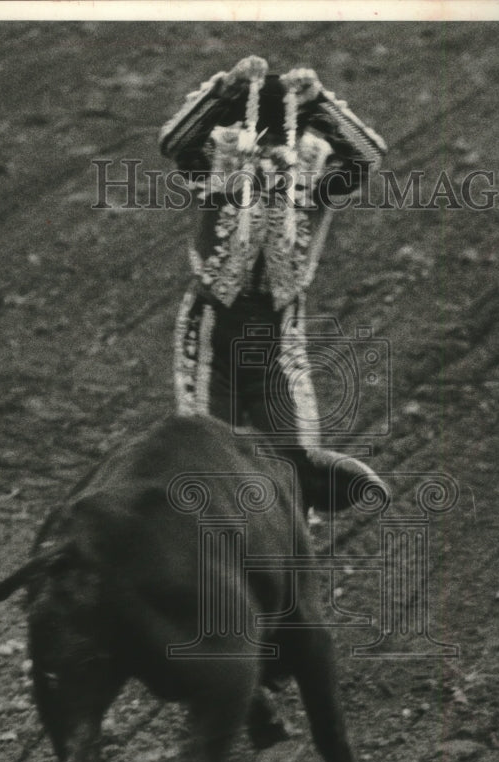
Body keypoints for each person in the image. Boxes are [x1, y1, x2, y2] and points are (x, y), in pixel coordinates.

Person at [159, 55, 389, 510]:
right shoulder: (221, 159)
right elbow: (174, 142)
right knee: (207, 464)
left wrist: (320, 101)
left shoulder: (309, 168)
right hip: (212, 336)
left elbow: (368, 156)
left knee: (293, 467)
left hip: (276, 339)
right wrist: (223, 90)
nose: (267, 145)